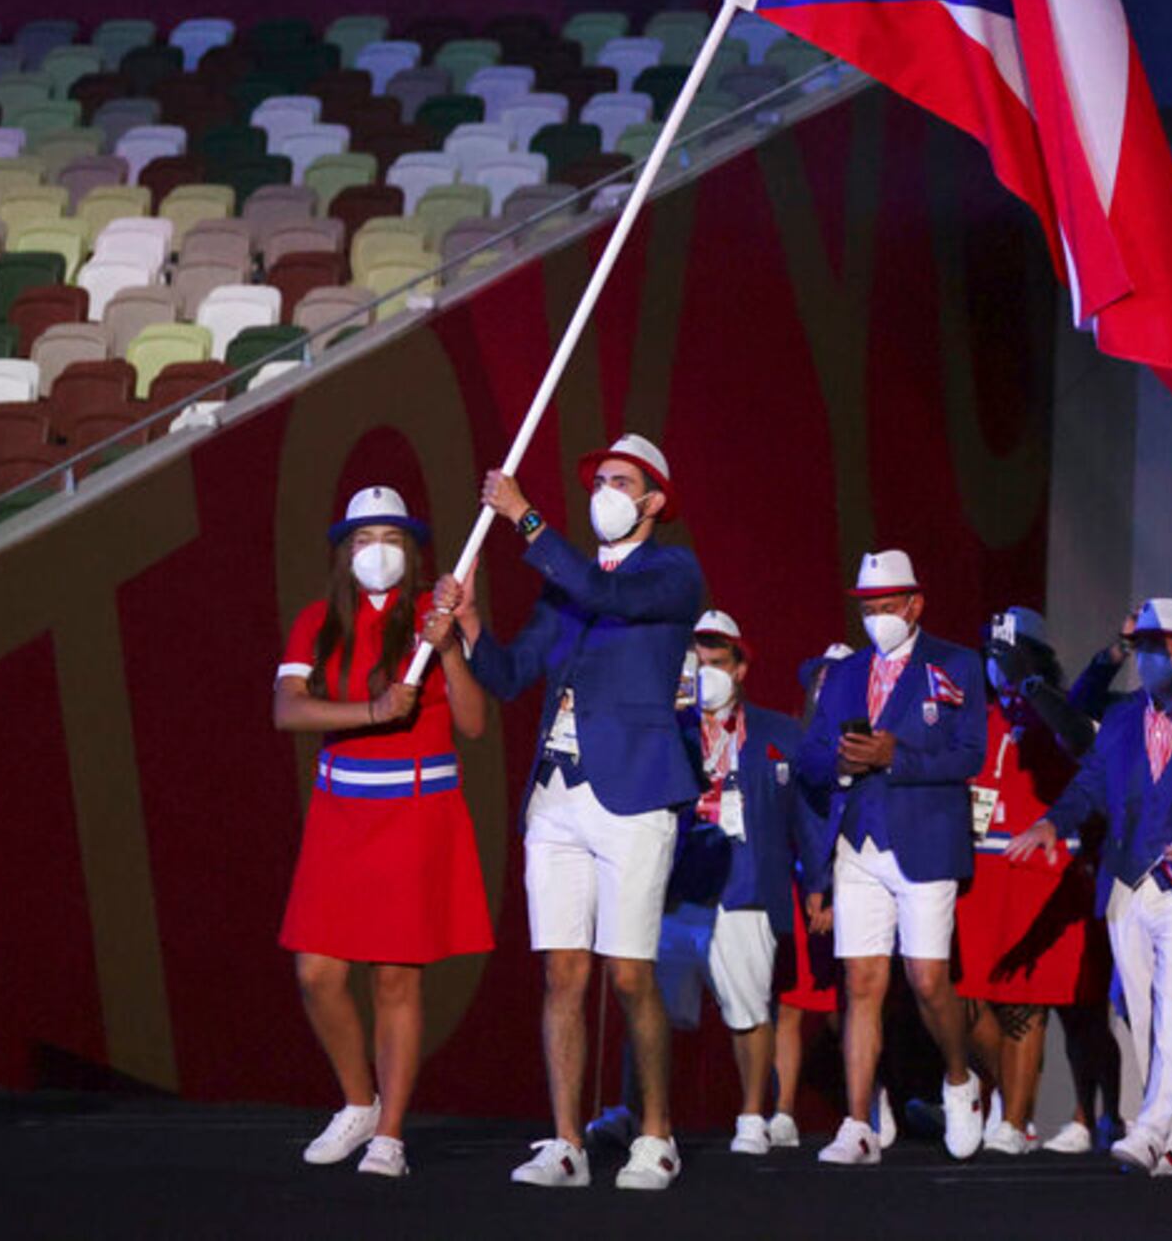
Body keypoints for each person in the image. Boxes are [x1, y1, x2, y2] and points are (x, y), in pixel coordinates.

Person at [443, 433, 705, 1191]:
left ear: (653, 500)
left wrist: (525, 518)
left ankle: (655, 1135)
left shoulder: (671, 572)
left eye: (623, 481)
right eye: (600, 479)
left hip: (633, 795)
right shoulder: (567, 584)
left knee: (629, 976)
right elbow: (512, 672)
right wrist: (467, 632)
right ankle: (566, 1142)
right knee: (563, 972)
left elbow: (610, 596)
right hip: (557, 799)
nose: (605, 491)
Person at [276, 485, 492, 1178]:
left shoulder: (434, 620)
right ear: (345, 552)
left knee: (396, 979)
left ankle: (390, 1135)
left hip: (414, 814)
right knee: (317, 971)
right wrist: (373, 711)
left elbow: (474, 724)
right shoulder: (317, 621)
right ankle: (358, 1101)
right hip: (341, 815)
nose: (378, 554)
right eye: (365, 540)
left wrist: (449, 648)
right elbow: (289, 709)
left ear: (413, 551)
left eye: (392, 541)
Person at [1007, 598, 1172, 1176]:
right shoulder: (1123, 718)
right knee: (1138, 1012)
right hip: (1128, 883)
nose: (1147, 658)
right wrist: (1054, 821)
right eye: (1142, 646)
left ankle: (1149, 1129)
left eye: (1158, 647)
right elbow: (1091, 784)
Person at [796, 550, 990, 1166]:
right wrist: (841, 763)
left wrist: (893, 757)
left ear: (914, 604)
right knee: (861, 982)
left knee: (929, 980)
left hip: (925, 840)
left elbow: (968, 756)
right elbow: (809, 758)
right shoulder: (846, 673)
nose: (877, 617)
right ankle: (857, 1122)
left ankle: (959, 1081)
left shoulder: (955, 664)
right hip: (859, 840)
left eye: (887, 606)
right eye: (868, 608)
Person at [957, 606, 1107, 1155]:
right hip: (979, 874)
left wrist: (1033, 685)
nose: (1000, 666)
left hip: (1041, 873)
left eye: (1011, 654)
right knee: (964, 1001)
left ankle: (1015, 1121)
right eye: (993, 655)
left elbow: (1083, 744)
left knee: (1026, 1003)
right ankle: (997, 1095)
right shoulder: (974, 714)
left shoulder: (1063, 712)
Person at [665, 610, 815, 1154]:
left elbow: (809, 813)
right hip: (675, 886)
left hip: (745, 884)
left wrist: (818, 881)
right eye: (698, 661)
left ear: (741, 666)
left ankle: (753, 1114)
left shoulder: (779, 732)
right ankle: (638, 1115)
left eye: (719, 662)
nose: (708, 672)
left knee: (748, 1006)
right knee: (651, 1006)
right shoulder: (668, 728)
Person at [770, 648, 843, 1150]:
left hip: (854, 883)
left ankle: (871, 1104)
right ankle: (782, 1112)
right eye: (820, 677)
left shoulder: (865, 745)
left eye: (837, 678)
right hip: (799, 883)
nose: (827, 685)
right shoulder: (796, 739)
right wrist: (809, 886)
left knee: (853, 1005)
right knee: (792, 1004)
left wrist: (831, 891)